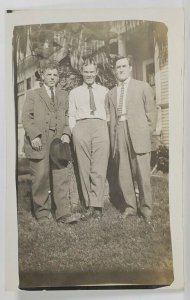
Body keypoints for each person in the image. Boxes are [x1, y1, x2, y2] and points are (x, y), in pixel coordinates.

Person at [106, 56, 157, 223]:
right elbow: (111, 118)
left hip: (138, 132)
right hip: (120, 131)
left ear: (130, 68)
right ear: (115, 70)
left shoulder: (142, 87)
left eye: (123, 66)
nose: (120, 69)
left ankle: (147, 209)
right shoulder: (112, 93)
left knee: (142, 173)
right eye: (118, 67)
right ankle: (130, 207)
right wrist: (113, 139)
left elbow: (151, 113)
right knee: (124, 172)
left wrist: (147, 133)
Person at [22, 61, 74, 225]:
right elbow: (26, 118)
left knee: (60, 176)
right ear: (43, 76)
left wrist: (66, 133)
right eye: (49, 75)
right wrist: (34, 136)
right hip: (39, 142)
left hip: (58, 142)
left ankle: (63, 213)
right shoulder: (33, 94)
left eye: (55, 75)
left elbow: (67, 117)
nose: (52, 78)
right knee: (40, 177)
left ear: (58, 78)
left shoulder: (63, 95)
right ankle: (42, 213)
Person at [68, 58, 110, 219]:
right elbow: (71, 114)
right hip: (81, 126)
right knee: (84, 167)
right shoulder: (74, 92)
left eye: (92, 72)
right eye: (86, 72)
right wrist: (74, 131)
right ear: (81, 72)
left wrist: (105, 128)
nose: (89, 75)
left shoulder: (105, 91)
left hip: (100, 126)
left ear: (97, 72)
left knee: (99, 167)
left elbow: (108, 113)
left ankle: (97, 205)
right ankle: (89, 205)